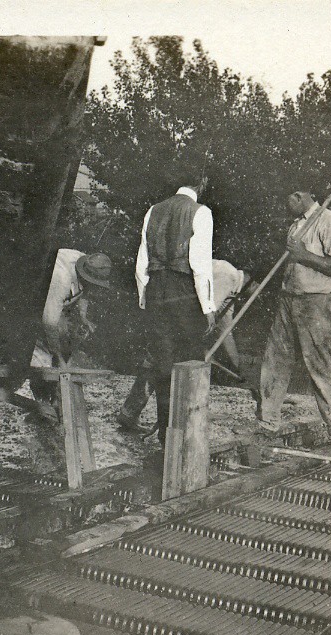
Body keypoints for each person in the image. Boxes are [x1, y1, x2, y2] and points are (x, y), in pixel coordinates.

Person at [258, 182, 331, 449]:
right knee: (275, 360)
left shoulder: (329, 221)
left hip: (316, 303)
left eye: (287, 198)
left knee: (321, 365)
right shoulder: (296, 224)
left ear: (298, 196)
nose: (285, 205)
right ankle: (268, 422)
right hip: (288, 300)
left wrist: (303, 255)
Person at [118, 259, 252, 430]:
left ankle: (130, 413)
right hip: (174, 308)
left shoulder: (231, 287)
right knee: (163, 363)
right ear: (250, 280)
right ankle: (168, 424)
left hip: (176, 307)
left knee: (158, 361)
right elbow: (204, 312)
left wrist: (237, 367)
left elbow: (226, 329)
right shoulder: (229, 276)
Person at [134, 169, 216, 446]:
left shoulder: (153, 210)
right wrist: (208, 306)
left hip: (157, 290)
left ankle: (166, 433)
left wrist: (145, 297)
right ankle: (184, 434)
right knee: (189, 361)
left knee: (162, 363)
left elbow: (141, 262)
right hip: (184, 293)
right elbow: (200, 264)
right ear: (201, 182)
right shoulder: (200, 212)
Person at [29, 249, 113, 407]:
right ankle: (42, 401)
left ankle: (56, 396)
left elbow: (85, 291)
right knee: (42, 350)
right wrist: (58, 356)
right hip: (33, 301)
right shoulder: (61, 278)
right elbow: (49, 322)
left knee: (69, 333)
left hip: (53, 304)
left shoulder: (85, 262)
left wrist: (83, 316)